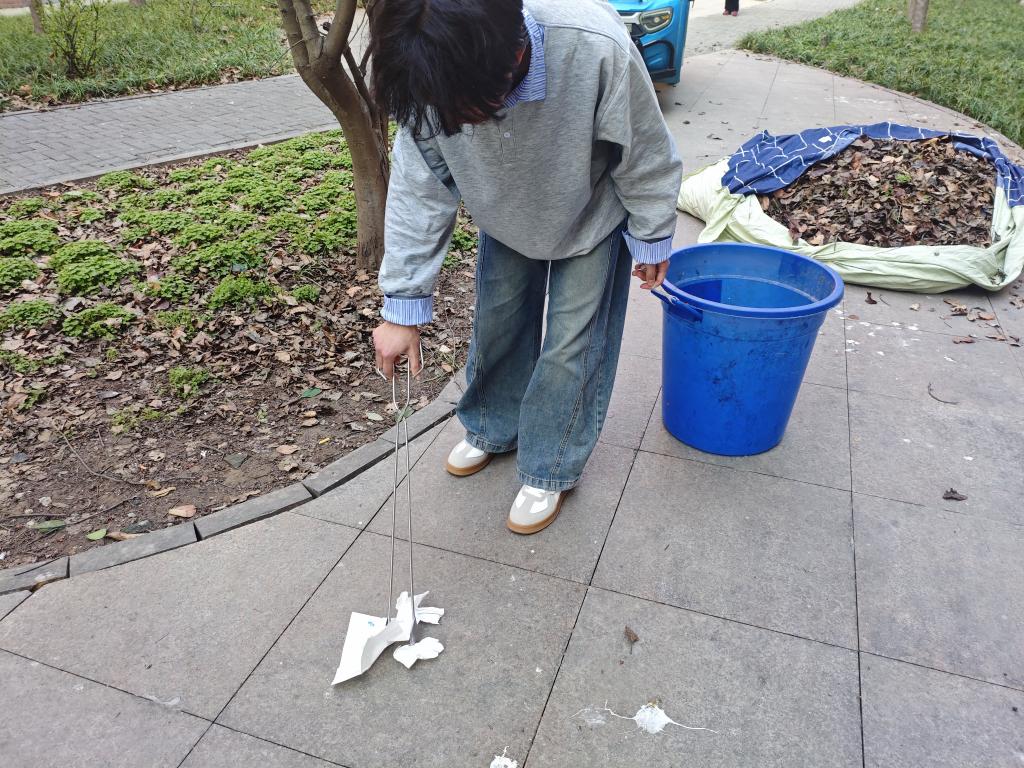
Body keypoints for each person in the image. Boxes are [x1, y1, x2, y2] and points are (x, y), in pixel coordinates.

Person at [369, 0, 682, 535]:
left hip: (590, 215)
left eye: (466, 110)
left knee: (572, 346)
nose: (454, 121)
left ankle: (550, 464)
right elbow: (420, 191)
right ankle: (493, 426)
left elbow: (644, 149)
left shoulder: (595, 46)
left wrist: (652, 234)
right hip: (504, 216)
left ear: (515, 54)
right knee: (498, 326)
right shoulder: (426, 66)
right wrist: (402, 306)